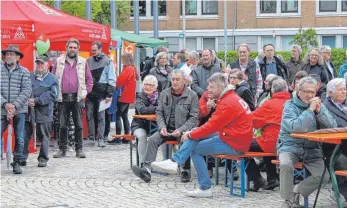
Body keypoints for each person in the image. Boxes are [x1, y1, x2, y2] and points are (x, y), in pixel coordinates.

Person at [150, 73, 253, 198]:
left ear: (221, 87)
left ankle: (205, 187)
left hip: (234, 142)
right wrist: (193, 133)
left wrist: (191, 133)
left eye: (211, 87)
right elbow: (210, 125)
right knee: (195, 135)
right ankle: (175, 161)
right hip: (234, 137)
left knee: (196, 150)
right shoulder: (231, 97)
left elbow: (211, 126)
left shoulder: (227, 103)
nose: (208, 90)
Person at [131, 70, 199, 183]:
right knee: (152, 139)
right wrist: (162, 126)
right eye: (173, 79)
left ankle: (184, 170)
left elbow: (193, 118)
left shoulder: (192, 95)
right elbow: (159, 112)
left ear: (184, 81)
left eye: (178, 80)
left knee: (185, 140)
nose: (175, 82)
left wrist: (181, 130)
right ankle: (146, 170)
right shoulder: (165, 93)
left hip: (182, 130)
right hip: (166, 129)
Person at [278, 76, 336, 208]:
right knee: (286, 164)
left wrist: (320, 112)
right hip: (290, 145)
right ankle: (289, 201)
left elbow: (332, 125)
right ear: (298, 90)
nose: (310, 95)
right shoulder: (289, 106)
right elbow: (297, 128)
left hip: (312, 148)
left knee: (323, 176)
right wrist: (310, 110)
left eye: (313, 92)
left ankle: (296, 191)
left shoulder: (317, 105)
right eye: (307, 92)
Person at [246, 79, 290, 192]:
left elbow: (253, 120)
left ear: (272, 90)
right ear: (287, 89)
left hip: (272, 142)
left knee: (239, 146)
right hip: (288, 144)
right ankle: (272, 179)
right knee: (267, 143)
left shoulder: (269, 104)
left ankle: (257, 179)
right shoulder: (292, 102)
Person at [52, 38, 93, 158]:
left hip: (77, 98)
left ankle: (79, 149)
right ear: (67, 48)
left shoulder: (83, 62)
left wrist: (85, 93)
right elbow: (53, 79)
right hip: (62, 97)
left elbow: (89, 80)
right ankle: (62, 149)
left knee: (79, 125)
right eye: (70, 47)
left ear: (78, 49)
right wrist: (55, 92)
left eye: (75, 47)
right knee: (62, 125)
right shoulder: (59, 61)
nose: (72, 49)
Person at [1, 45, 31, 174]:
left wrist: (14, 106)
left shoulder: (24, 72)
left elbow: (26, 90)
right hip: (2, 110)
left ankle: (17, 162)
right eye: (7, 54)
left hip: (19, 110)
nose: (9, 56)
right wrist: (5, 104)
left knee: (20, 138)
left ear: (18, 57)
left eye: (12, 54)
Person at [23, 55, 58, 167]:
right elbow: (23, 89)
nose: (39, 65)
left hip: (45, 111)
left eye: (42, 63)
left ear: (47, 64)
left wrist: (37, 100)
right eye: (38, 63)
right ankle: (21, 158)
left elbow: (53, 94)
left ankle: (43, 158)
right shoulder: (29, 76)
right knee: (24, 135)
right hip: (29, 111)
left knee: (44, 136)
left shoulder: (52, 78)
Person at [86, 41, 116, 147]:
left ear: (100, 49)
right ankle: (92, 137)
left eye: (94, 50)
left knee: (101, 117)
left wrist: (109, 95)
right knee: (89, 115)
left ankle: (101, 138)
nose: (92, 52)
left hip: (102, 93)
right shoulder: (88, 61)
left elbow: (112, 78)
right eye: (92, 50)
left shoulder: (108, 61)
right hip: (90, 93)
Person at [323, 78, 347, 205]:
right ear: (330, 92)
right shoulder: (325, 107)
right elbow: (333, 126)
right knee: (342, 162)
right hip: (334, 148)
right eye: (340, 89)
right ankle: (342, 193)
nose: (344, 92)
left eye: (345, 89)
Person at [131, 75, 159, 165]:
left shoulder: (161, 96)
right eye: (145, 84)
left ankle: (167, 162)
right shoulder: (139, 96)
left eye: (151, 85)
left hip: (156, 125)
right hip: (139, 125)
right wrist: (156, 109)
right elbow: (142, 110)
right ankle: (144, 164)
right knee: (142, 136)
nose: (147, 87)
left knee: (164, 134)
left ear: (155, 87)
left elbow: (165, 109)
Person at [115, 53, 139, 143]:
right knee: (124, 116)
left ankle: (118, 138)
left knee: (118, 116)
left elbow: (120, 81)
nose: (121, 61)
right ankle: (126, 137)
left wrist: (116, 86)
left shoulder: (128, 68)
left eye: (122, 59)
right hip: (128, 96)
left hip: (124, 96)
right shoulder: (133, 68)